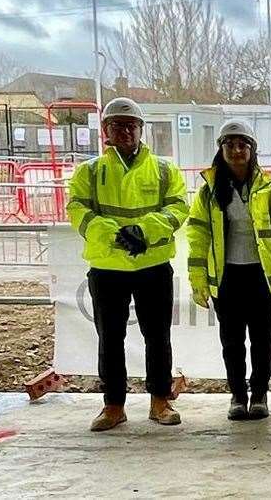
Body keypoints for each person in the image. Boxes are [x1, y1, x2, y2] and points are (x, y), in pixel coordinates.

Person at [67, 97, 189, 432]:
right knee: (110, 338)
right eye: (117, 125)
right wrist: (117, 235)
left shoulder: (164, 170)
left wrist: (144, 231)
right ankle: (113, 405)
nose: (125, 131)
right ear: (105, 130)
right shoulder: (89, 172)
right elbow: (78, 210)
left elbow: (178, 207)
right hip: (108, 268)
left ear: (141, 130)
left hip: (153, 267)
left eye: (131, 125)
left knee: (157, 336)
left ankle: (160, 401)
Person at [188, 119, 271, 421]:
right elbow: (198, 237)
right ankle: (238, 395)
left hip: (261, 277)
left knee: (262, 341)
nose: (237, 151)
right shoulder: (209, 192)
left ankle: (260, 394)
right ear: (221, 149)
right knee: (232, 342)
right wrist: (198, 278)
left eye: (243, 145)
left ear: (253, 150)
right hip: (227, 279)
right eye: (230, 145)